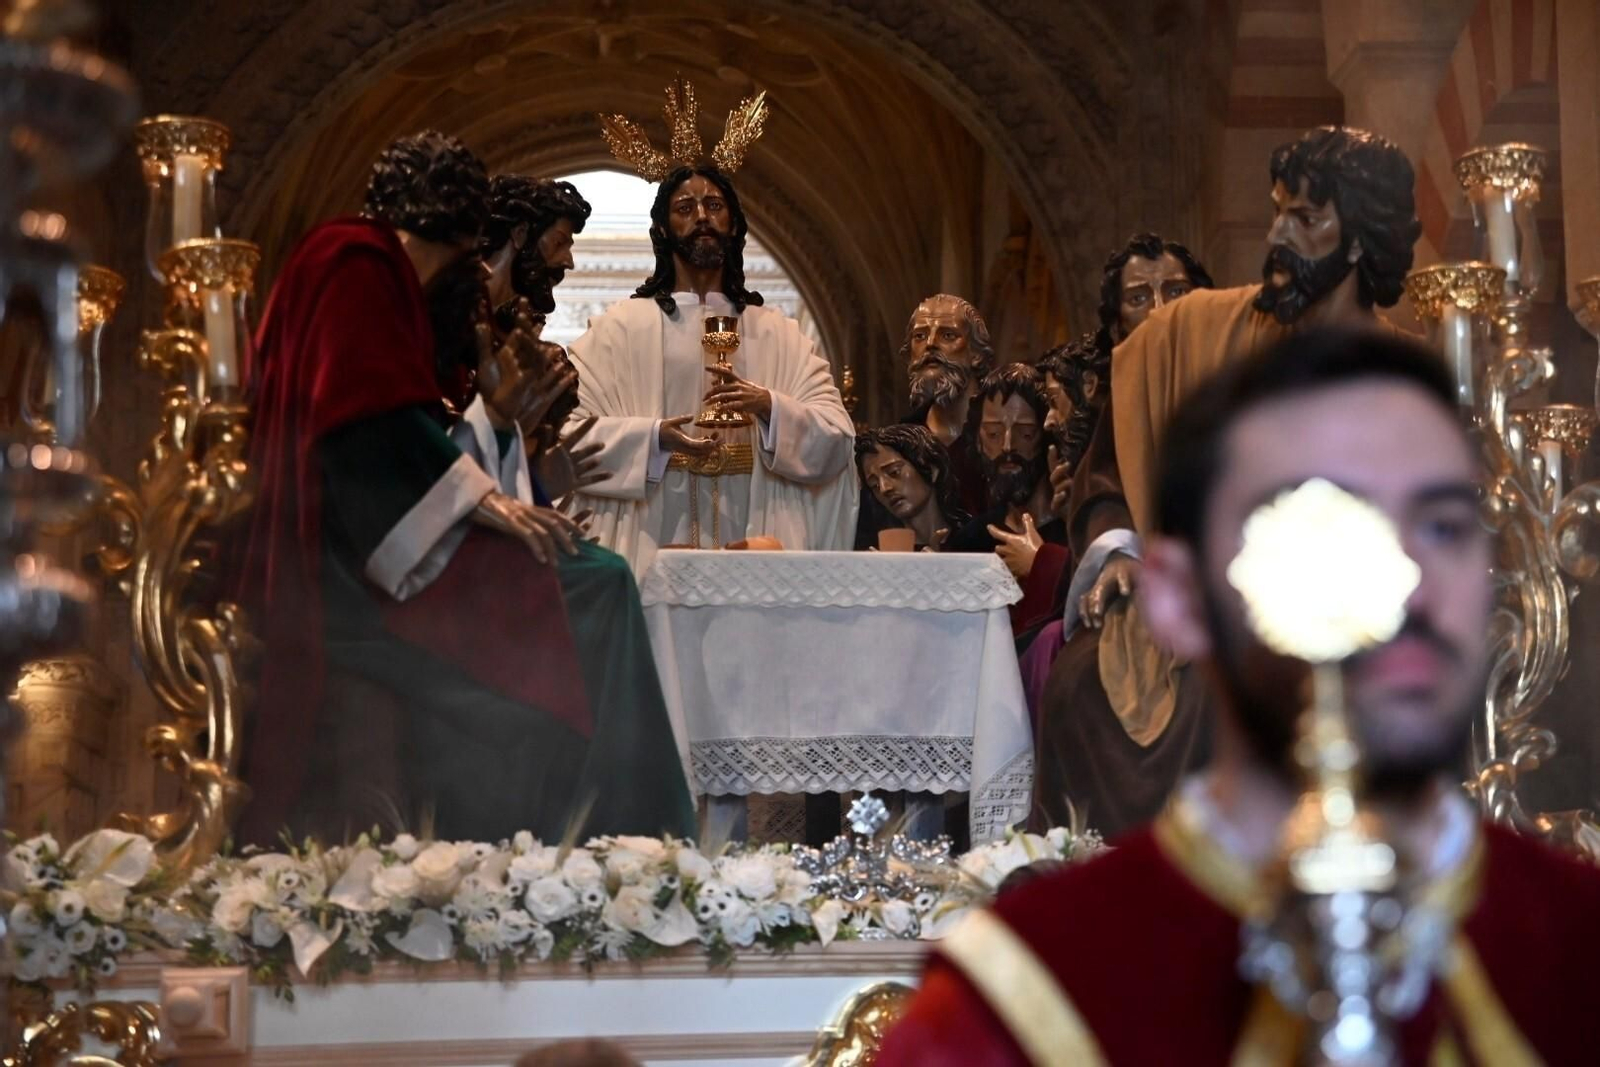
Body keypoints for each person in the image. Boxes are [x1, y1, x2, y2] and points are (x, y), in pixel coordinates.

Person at [878, 329, 1600, 1065]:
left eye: (1443, 524)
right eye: (1319, 525)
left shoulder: (1578, 946)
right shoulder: (1015, 1005)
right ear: (1177, 600)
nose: (1400, 579)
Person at [233, 131, 694, 846]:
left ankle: (606, 835)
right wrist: (493, 501)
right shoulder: (354, 259)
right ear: (462, 227)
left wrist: (512, 445)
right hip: (344, 565)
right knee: (598, 588)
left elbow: (415, 428)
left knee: (593, 579)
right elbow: (366, 424)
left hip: (385, 538)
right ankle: (630, 836)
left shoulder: (393, 285)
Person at [1032, 131, 1415, 836]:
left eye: (1304, 219)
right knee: (1083, 682)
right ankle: (1104, 897)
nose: (1276, 233)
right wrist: (1120, 549)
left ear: (1359, 241)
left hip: (1322, 613)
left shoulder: (1392, 370)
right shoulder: (1200, 330)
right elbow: (1117, 442)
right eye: (1277, 212)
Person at [567, 161, 856, 572]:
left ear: (735, 225)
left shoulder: (779, 335)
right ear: (663, 230)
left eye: (715, 205)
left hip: (756, 529)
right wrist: (651, 439)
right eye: (685, 208)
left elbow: (838, 437)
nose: (702, 216)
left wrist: (770, 407)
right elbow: (567, 436)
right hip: (654, 533)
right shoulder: (619, 330)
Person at [855, 295, 995, 549]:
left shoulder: (1004, 435)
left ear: (976, 354)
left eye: (948, 335)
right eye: (920, 336)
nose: (930, 345)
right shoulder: (894, 450)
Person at [946, 363, 1070, 638]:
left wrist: (1041, 564)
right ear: (978, 443)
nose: (1007, 446)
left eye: (1025, 434)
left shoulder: (1071, 529)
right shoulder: (973, 540)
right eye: (992, 434)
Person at [854, 424, 967, 551]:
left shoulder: (975, 541)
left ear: (931, 468)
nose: (884, 488)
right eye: (874, 485)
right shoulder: (880, 553)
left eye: (894, 472)